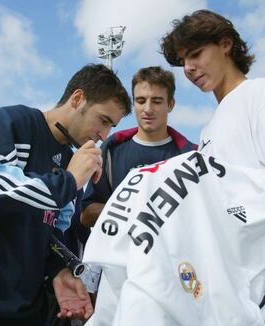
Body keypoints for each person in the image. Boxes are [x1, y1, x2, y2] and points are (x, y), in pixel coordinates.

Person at [160, 9, 265, 326]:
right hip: (242, 312)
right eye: (183, 60)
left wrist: (225, 212)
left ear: (226, 44)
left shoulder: (264, 94)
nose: (188, 68)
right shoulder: (208, 131)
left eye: (196, 54)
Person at [0, 63, 131, 326]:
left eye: (111, 126)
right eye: (103, 120)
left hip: (24, 315)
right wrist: (66, 182)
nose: (104, 135)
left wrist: (58, 269)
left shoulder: (70, 161)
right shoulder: (16, 123)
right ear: (78, 99)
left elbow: (51, 234)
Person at [81, 66, 197, 227]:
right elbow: (86, 215)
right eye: (141, 101)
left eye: (157, 101)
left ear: (170, 104)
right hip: (122, 251)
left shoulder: (191, 156)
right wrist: (135, 210)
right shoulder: (112, 150)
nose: (148, 109)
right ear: (134, 103)